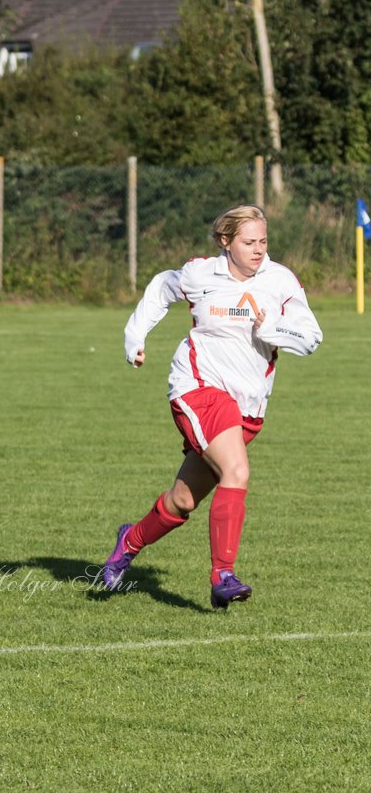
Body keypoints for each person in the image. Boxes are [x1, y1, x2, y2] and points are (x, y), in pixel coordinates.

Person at [100, 203, 322, 609]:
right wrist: (135, 336)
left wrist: (271, 329)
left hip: (247, 406)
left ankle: (128, 542)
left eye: (263, 241)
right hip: (197, 387)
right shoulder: (201, 274)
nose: (258, 249)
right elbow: (162, 287)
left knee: (182, 500)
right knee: (236, 470)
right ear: (226, 242)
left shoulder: (280, 281)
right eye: (249, 242)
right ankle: (223, 575)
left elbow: (310, 337)